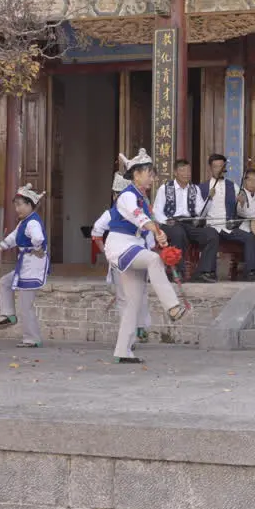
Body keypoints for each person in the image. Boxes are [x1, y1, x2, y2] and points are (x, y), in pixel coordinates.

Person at [104, 148, 188, 364]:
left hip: (134, 246)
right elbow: (139, 218)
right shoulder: (128, 196)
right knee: (153, 260)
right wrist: (155, 230)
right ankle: (172, 305)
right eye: (149, 173)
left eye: (152, 174)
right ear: (136, 174)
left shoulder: (141, 198)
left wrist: (158, 236)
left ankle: (123, 351)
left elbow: (147, 225)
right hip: (121, 246)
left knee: (133, 302)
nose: (152, 178)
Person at [92, 171, 152, 350]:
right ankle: (132, 335)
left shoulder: (140, 213)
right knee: (128, 298)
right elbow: (96, 232)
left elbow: (149, 237)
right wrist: (107, 253)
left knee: (135, 296)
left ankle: (137, 329)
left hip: (135, 258)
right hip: (124, 260)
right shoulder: (112, 214)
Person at [0, 183, 50, 348]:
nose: (17, 209)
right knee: (5, 282)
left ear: (30, 205)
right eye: (15, 205)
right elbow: (13, 237)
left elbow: (38, 238)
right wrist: (0, 247)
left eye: (20, 205)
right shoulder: (24, 222)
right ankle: (9, 314)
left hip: (32, 265)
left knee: (26, 304)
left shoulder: (32, 223)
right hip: (25, 264)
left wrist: (37, 249)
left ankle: (32, 338)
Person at [153, 159, 220, 283]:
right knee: (178, 233)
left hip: (190, 223)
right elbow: (157, 211)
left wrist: (209, 199)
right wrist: (166, 222)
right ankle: (179, 271)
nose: (186, 173)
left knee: (212, 234)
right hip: (171, 223)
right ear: (175, 172)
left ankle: (202, 272)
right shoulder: (165, 188)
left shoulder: (195, 189)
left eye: (188, 170)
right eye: (182, 170)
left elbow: (200, 212)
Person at [202, 153, 255, 280]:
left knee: (249, 237)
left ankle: (250, 272)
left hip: (228, 226)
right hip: (211, 226)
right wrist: (209, 198)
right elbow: (200, 213)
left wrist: (241, 202)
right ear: (211, 168)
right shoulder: (202, 187)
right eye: (216, 166)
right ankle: (209, 272)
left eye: (221, 166)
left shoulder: (233, 186)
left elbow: (241, 210)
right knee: (211, 236)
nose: (219, 169)